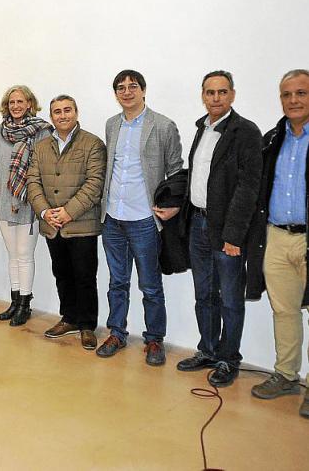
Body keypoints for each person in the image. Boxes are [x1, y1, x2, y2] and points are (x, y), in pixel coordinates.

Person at [176, 71, 262, 387]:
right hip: (198, 224)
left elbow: (248, 187)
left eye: (222, 92)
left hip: (226, 230)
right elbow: (199, 176)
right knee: (204, 294)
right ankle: (209, 351)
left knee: (230, 299)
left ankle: (228, 359)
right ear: (203, 95)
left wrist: (233, 235)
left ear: (232, 95)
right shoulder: (202, 128)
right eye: (210, 92)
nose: (216, 98)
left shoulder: (246, 131)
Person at [96, 69, 183, 366]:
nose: (127, 92)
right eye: (120, 87)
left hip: (145, 219)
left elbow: (176, 171)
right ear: (115, 94)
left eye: (133, 86)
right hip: (113, 218)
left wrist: (174, 205)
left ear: (143, 90)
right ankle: (116, 333)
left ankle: (154, 339)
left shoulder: (163, 125)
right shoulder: (112, 125)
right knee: (117, 282)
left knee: (150, 285)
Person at [247, 69, 309, 418]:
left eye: (301, 93)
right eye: (287, 94)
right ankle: (286, 375)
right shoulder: (273, 138)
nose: (293, 100)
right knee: (284, 311)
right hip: (277, 237)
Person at [27, 95, 106, 349]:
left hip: (81, 224)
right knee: (62, 274)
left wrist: (69, 212)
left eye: (67, 110)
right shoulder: (41, 147)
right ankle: (69, 318)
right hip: (53, 225)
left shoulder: (93, 144)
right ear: (51, 117)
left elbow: (95, 183)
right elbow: (33, 181)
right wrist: (44, 212)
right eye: (57, 112)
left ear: (76, 112)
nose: (63, 115)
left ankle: (87, 325)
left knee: (85, 276)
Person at [0, 85, 52, 326]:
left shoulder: (42, 132)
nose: (15, 106)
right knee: (12, 255)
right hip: (3, 202)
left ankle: (25, 305)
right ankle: (14, 303)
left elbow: (45, 169)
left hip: (27, 202)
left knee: (24, 255)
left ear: (29, 104)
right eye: (11, 102)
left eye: (20, 101)